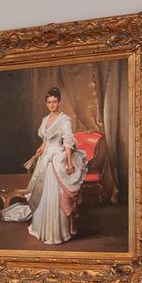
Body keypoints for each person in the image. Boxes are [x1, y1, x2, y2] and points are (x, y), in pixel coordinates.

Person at [24, 86, 87, 245]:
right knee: (42, 192)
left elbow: (68, 142)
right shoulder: (45, 119)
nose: (52, 104)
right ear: (46, 103)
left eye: (55, 101)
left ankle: (57, 231)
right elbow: (46, 139)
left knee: (55, 194)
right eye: (49, 102)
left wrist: (69, 162)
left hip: (57, 157)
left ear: (59, 102)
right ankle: (41, 228)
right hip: (45, 157)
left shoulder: (64, 120)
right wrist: (41, 147)